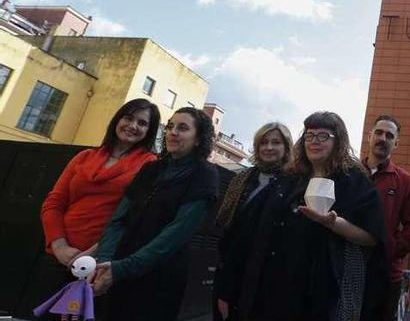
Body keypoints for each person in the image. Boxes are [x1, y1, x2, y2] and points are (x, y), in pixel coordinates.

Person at [29, 99, 160, 313]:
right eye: (128, 118)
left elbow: (135, 218)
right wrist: (59, 247)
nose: (133, 126)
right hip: (59, 257)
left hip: (100, 264)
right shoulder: (84, 157)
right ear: (117, 119)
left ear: (149, 131)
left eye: (142, 123)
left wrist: (93, 253)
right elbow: (54, 202)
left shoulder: (150, 164)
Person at [92, 107, 219, 321]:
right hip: (116, 270)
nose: (173, 132)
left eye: (183, 128)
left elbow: (176, 233)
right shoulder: (150, 169)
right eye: (170, 126)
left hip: (160, 278)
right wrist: (105, 262)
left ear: (198, 139)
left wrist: (123, 267)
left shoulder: (205, 174)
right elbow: (119, 220)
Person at [260, 111, 388, 321]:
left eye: (323, 136)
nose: (314, 141)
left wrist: (332, 223)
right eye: (309, 135)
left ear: (338, 141)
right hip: (285, 284)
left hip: (329, 287)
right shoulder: (292, 178)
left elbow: (372, 237)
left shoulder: (354, 181)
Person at [214, 122, 296, 321]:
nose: (269, 147)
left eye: (276, 142)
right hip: (230, 270)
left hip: (267, 281)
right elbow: (228, 228)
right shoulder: (242, 178)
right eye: (264, 142)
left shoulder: (295, 184)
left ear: (286, 148)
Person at [362, 114, 410, 321]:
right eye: (379, 133)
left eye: (389, 135)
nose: (383, 138)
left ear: (396, 143)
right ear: (370, 136)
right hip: (348, 268)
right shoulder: (352, 174)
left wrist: (388, 250)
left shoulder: (404, 180)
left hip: (386, 275)